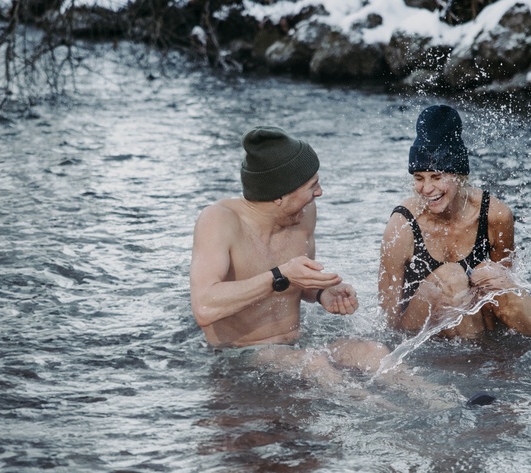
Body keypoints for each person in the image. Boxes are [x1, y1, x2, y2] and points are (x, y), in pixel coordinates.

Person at [190, 126, 452, 401]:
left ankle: (439, 400)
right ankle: (387, 418)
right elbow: (205, 306)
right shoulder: (218, 221)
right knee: (316, 365)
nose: (320, 192)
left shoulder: (302, 214)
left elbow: (295, 281)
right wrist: (280, 276)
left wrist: (321, 292)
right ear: (280, 195)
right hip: (237, 354)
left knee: (372, 351)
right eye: (311, 186)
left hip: (297, 346)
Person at [378, 105, 531, 339]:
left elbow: (506, 297)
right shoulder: (402, 226)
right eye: (419, 178)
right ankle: (473, 362)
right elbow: (388, 323)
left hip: (478, 322)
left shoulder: (496, 215)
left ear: (459, 175)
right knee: (451, 276)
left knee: (491, 275)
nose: (427, 189)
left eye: (437, 177)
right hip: (419, 329)